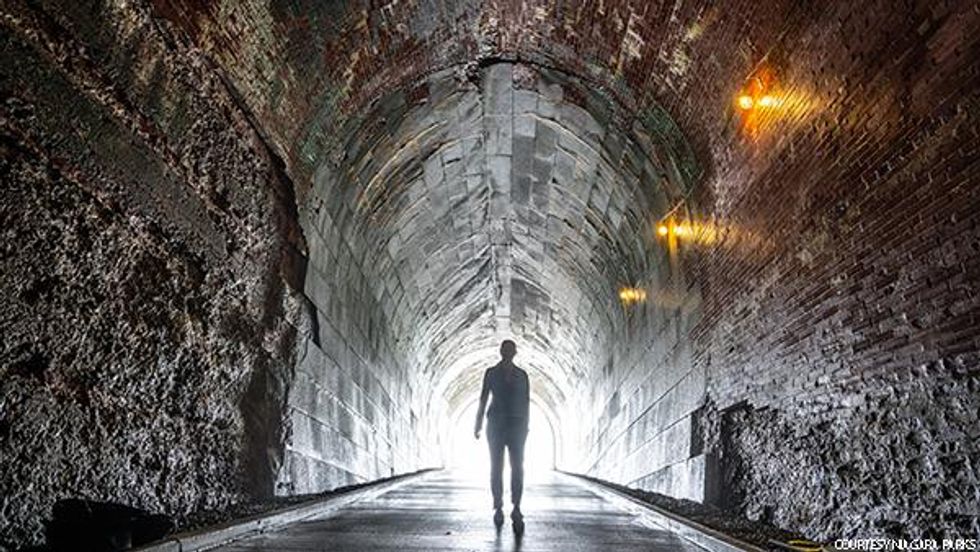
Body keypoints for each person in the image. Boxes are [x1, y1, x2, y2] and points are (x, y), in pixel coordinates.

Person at [474, 339, 530, 532]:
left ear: (514, 353)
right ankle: (498, 506)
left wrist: (526, 426)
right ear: (501, 352)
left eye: (510, 349)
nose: (507, 352)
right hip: (496, 426)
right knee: (496, 467)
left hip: (516, 426)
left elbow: (526, 402)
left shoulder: (522, 375)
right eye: (505, 349)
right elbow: (483, 398)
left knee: (517, 468)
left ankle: (516, 506)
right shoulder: (491, 373)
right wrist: (478, 423)